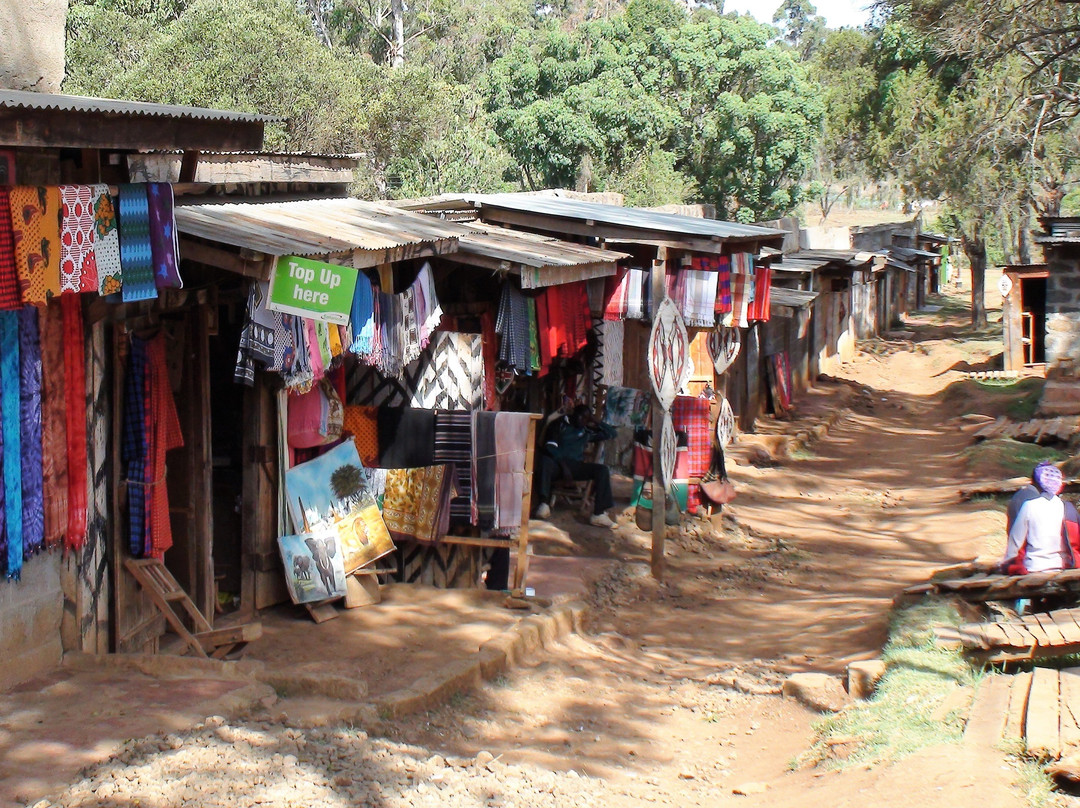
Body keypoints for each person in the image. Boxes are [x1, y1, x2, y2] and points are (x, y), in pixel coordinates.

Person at [535, 404, 617, 528]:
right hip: (557, 465)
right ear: (573, 414)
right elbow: (550, 448)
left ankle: (599, 514)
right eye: (581, 417)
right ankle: (544, 504)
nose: (584, 421)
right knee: (545, 461)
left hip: (575, 466)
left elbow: (612, 433)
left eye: (587, 419)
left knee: (602, 470)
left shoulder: (586, 430)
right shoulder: (559, 425)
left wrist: (595, 420)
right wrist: (564, 467)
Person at [1002, 462, 1080, 575]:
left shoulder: (1029, 506)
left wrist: (1008, 564)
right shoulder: (1067, 507)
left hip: (1034, 566)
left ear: (1037, 483)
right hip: (1062, 565)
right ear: (1059, 485)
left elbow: (1015, 542)